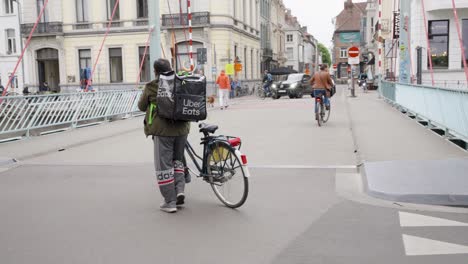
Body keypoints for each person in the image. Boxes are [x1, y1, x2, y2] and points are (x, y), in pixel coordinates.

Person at [138, 58, 191, 214]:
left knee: (164, 166)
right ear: (170, 68)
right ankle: (180, 190)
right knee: (178, 160)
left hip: (163, 132)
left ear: (155, 71)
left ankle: (170, 201)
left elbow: (141, 107)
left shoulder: (152, 86)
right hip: (182, 129)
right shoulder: (181, 82)